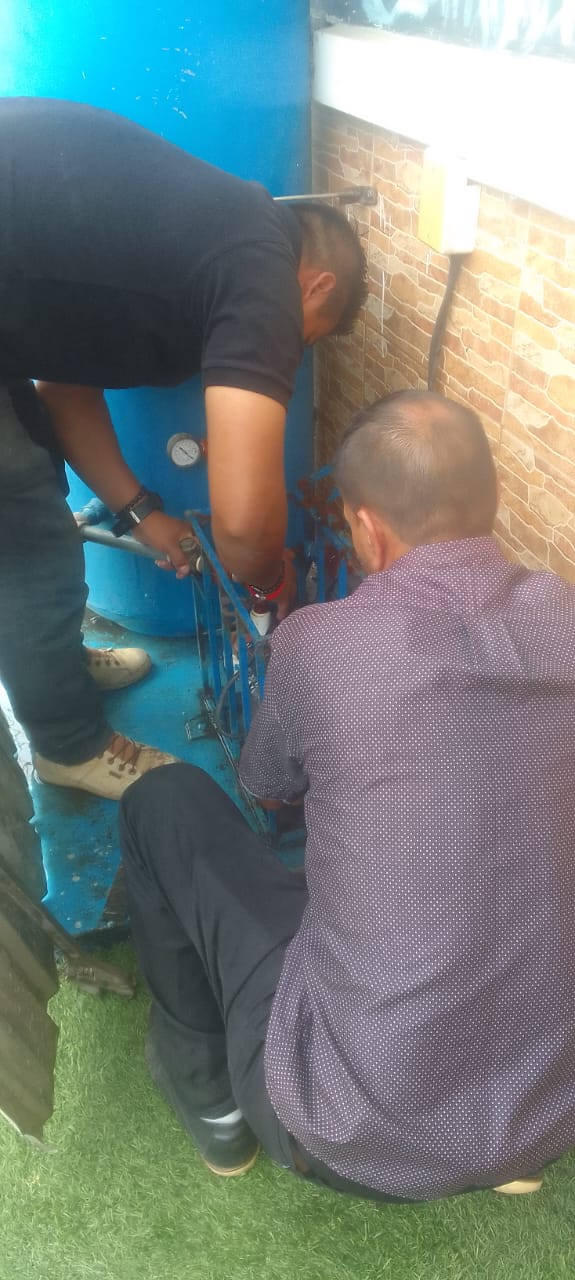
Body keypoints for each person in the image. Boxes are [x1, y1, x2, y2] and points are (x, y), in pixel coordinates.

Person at [120, 390, 575, 1201]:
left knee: (164, 802)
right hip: (547, 1110)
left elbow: (266, 788)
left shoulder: (320, 643)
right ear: (495, 498)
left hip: (342, 1127)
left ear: (365, 528)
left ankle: (217, 1112)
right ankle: (512, 1141)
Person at [0, 96, 366, 800]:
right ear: (315, 284)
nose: (288, 350)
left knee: (33, 478)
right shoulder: (263, 264)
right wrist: (266, 581)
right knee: (22, 530)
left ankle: (54, 668)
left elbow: (63, 388)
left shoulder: (210, 235)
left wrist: (144, 515)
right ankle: (68, 745)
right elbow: (243, 526)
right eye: (306, 335)